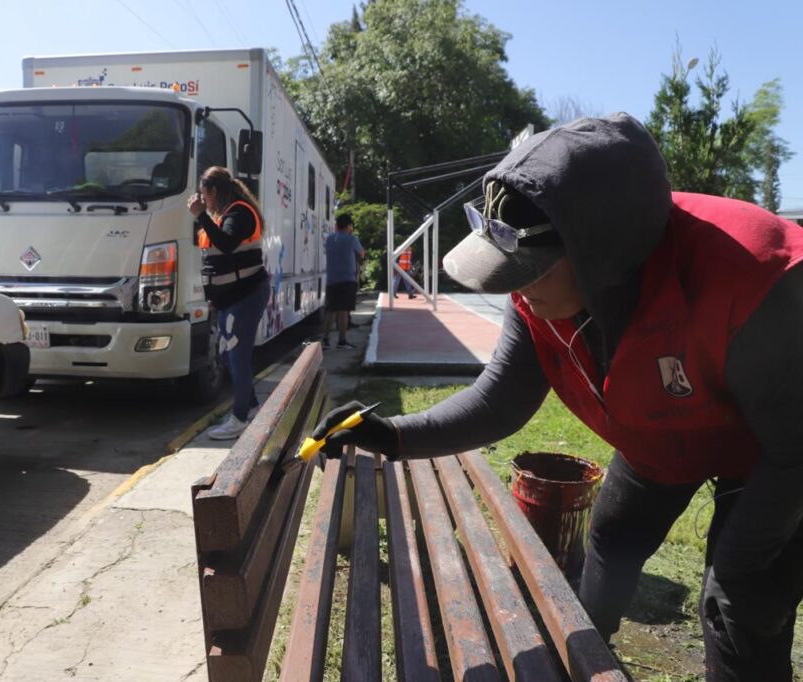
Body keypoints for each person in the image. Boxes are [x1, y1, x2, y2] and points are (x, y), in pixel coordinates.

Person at [314, 113, 803, 681]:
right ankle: (586, 666)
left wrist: (736, 563)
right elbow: (499, 400)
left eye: (531, 271)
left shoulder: (753, 278)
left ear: (602, 253)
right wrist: (392, 435)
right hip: (668, 431)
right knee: (613, 536)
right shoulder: (542, 294)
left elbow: (796, 449)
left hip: (782, 450)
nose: (516, 291)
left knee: (741, 597)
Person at [188, 166, 269, 440]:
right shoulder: (223, 215)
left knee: (238, 356)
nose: (202, 201)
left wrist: (201, 215)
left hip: (247, 295)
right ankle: (252, 406)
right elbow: (216, 261)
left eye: (204, 195)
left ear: (214, 191)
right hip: (230, 298)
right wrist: (215, 298)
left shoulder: (239, 213)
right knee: (226, 354)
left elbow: (226, 244)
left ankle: (240, 417)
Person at [323, 213, 364, 349]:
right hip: (347, 279)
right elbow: (362, 253)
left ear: (336, 225)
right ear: (349, 226)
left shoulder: (329, 239)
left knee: (330, 310)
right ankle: (341, 341)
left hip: (331, 279)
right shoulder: (352, 239)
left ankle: (325, 340)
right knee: (343, 311)